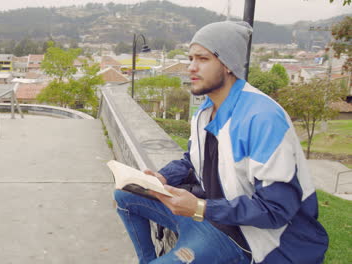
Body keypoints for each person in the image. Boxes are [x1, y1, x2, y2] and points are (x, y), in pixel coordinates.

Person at [114, 21, 328, 264]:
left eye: (202, 59)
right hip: (211, 214)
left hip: (247, 236)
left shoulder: (262, 118)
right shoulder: (206, 111)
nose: (191, 68)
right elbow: (192, 160)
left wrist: (200, 208)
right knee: (124, 195)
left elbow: (276, 209)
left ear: (227, 64)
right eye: (190, 58)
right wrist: (161, 178)